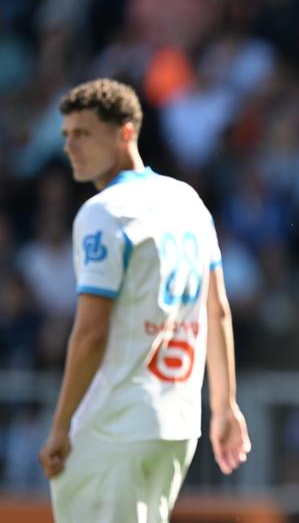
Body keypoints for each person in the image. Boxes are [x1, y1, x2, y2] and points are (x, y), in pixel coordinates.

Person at [37, 79, 251, 522]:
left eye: (84, 134)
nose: (71, 147)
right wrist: (224, 404)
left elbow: (92, 332)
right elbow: (218, 311)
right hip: (176, 425)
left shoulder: (104, 212)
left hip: (114, 423)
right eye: (66, 136)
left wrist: (60, 426)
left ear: (126, 133)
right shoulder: (187, 200)